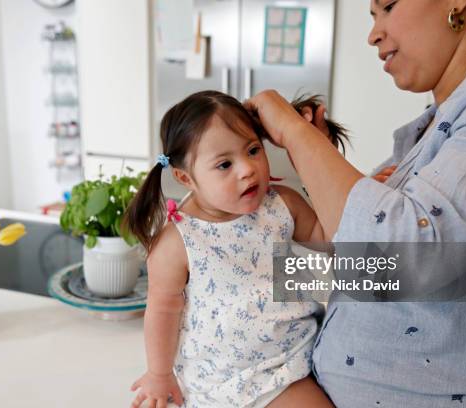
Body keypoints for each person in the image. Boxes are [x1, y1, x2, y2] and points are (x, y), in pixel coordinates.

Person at [245, 0, 466, 406]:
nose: (373, 34)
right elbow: (365, 271)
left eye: (387, 7)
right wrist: (234, 268)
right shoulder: (438, 124)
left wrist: (293, 133)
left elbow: (407, 260)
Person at [124, 91, 349, 407]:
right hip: (214, 383)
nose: (247, 169)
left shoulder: (283, 204)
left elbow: (332, 240)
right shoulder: (178, 240)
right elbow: (162, 310)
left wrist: (318, 151)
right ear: (185, 177)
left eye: (253, 150)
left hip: (284, 369)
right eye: (225, 164)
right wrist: (159, 375)